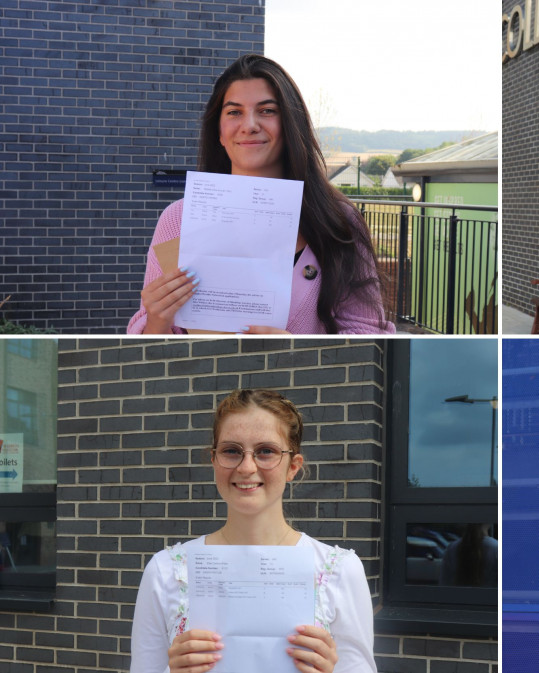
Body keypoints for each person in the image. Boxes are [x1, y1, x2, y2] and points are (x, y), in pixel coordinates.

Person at [127, 54, 393, 334]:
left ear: (290, 125)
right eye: (234, 112)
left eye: (267, 110)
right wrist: (157, 320)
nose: (250, 124)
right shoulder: (176, 220)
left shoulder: (338, 220)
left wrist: (295, 351)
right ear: (219, 131)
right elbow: (151, 346)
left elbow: (370, 335)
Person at [130, 389, 377, 673]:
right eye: (231, 451)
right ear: (214, 460)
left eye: (266, 451)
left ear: (293, 466)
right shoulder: (165, 571)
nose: (247, 467)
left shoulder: (339, 571)